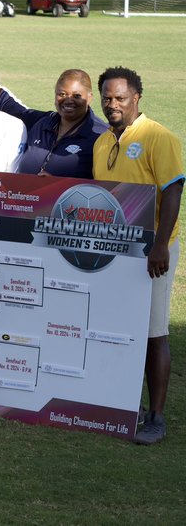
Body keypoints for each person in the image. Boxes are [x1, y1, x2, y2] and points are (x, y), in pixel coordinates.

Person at [92, 67, 183, 445]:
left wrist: (160, 245)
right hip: (116, 249)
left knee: (154, 333)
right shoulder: (102, 141)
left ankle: (156, 417)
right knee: (119, 330)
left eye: (120, 98)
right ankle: (123, 406)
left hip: (152, 251)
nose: (112, 104)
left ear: (136, 98)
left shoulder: (158, 137)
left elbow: (173, 190)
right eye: (107, 98)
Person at [15, 69, 108, 178]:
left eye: (76, 96)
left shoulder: (101, 135)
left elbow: (106, 183)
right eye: (62, 94)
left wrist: (58, 184)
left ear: (90, 97)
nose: (68, 100)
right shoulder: (41, 125)